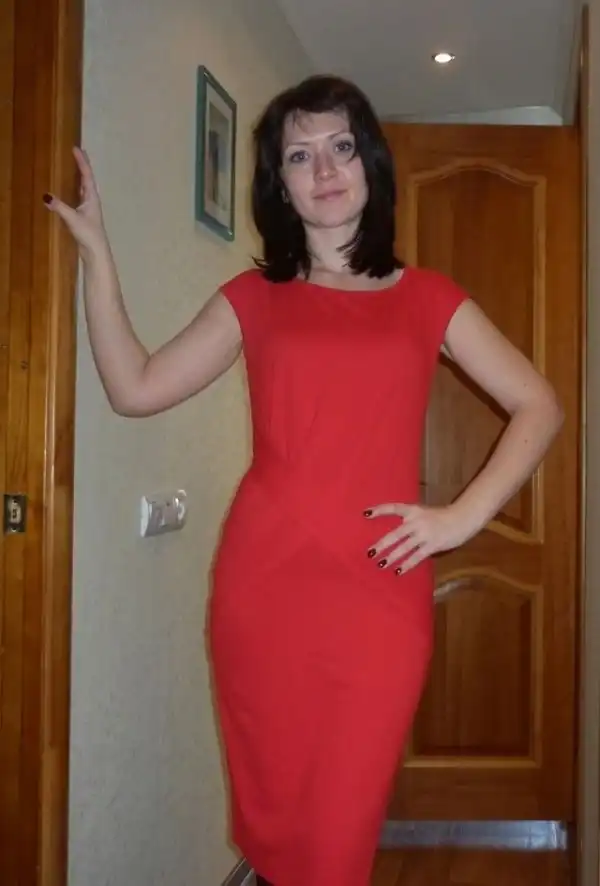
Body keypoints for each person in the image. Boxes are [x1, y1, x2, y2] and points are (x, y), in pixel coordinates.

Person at [44, 74, 564, 886]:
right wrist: (96, 254)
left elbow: (539, 404)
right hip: (264, 593)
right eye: (298, 155)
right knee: (282, 831)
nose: (323, 169)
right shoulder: (254, 297)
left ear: (370, 165)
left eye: (341, 147)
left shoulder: (428, 298)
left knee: (339, 835)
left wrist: (461, 518)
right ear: (279, 184)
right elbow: (134, 387)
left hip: (380, 597)